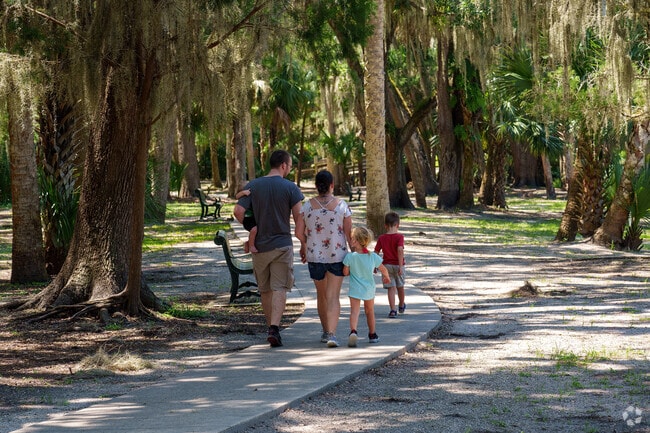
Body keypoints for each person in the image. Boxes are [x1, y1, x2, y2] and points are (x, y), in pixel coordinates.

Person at [233, 150, 304, 348]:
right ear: (283, 165)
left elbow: (238, 211)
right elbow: (300, 217)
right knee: (279, 287)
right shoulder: (290, 187)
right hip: (282, 245)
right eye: (289, 166)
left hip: (260, 247)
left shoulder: (253, 186)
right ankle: (274, 327)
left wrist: (251, 226)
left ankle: (270, 328)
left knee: (265, 289)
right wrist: (303, 242)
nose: (289, 169)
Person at [295, 170, 352, 348]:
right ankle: (333, 335)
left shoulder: (306, 206)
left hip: (314, 256)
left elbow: (298, 232)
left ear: (316, 186)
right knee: (333, 296)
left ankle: (326, 331)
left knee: (322, 295)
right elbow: (350, 235)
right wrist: (356, 254)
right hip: (337, 256)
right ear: (332, 185)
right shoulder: (342, 206)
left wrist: (306, 243)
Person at [343, 226, 390, 348]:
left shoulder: (350, 257)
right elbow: (383, 268)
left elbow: (345, 272)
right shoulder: (372, 256)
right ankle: (372, 334)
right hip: (369, 288)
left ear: (356, 241)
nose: (351, 240)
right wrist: (386, 277)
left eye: (352, 238)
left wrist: (349, 269)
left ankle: (353, 331)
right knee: (370, 311)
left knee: (354, 311)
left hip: (355, 288)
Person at [374, 211, 406, 318]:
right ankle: (401, 305)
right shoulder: (400, 237)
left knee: (391, 288)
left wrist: (375, 265)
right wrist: (401, 266)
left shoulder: (382, 238)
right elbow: (400, 250)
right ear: (398, 225)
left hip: (386, 266)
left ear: (385, 226)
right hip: (398, 265)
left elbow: (376, 252)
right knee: (400, 286)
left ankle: (393, 310)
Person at [235, 189, 257, 253]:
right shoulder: (248, 193)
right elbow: (236, 196)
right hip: (247, 218)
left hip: (254, 217)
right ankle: (251, 246)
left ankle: (247, 244)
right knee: (254, 229)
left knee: (258, 233)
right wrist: (243, 193)